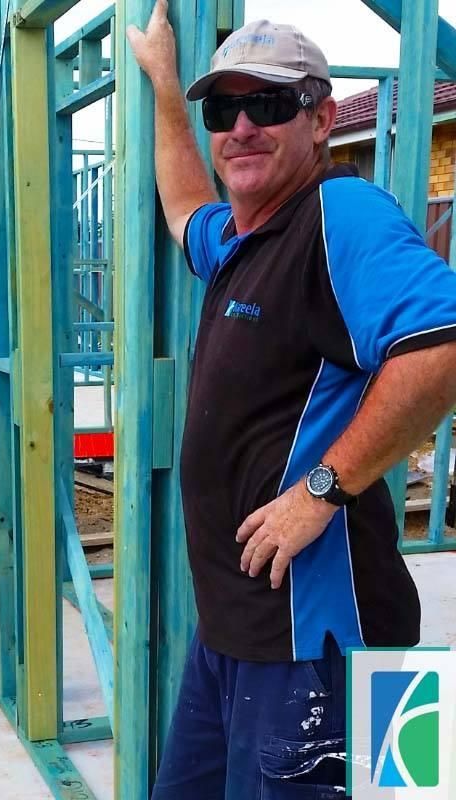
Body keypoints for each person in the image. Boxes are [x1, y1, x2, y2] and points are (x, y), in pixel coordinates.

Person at [127, 6, 456, 798]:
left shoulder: (342, 214)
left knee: (395, 785)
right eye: (223, 109)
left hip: (331, 646)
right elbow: (183, 204)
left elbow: (445, 345)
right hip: (236, 638)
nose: (242, 127)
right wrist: (166, 85)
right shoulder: (239, 242)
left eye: (269, 104)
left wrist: (319, 491)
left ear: (321, 119)